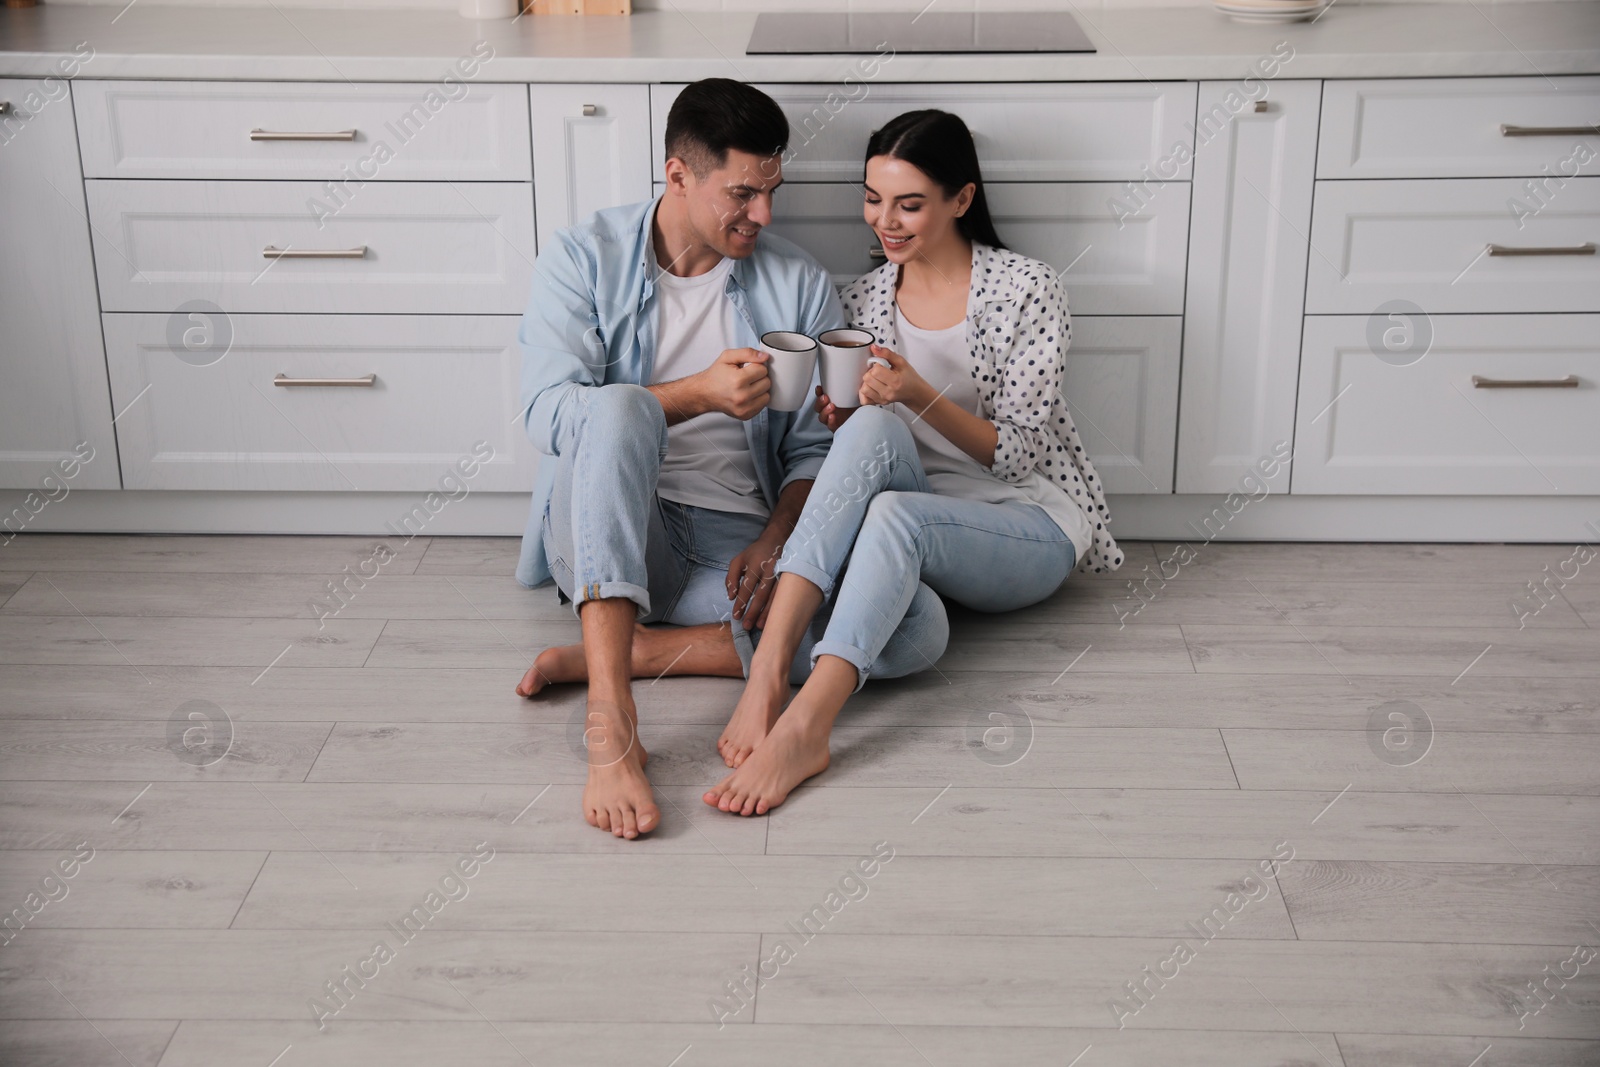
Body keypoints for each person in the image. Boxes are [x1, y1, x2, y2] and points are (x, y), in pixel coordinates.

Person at [511, 80, 946, 840]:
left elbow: (815, 446)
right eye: (743, 194)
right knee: (616, 405)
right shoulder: (584, 258)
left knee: (914, 625)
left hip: (732, 549)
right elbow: (549, 414)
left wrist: (778, 535)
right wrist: (695, 394)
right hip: (615, 528)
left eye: (772, 191)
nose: (764, 215)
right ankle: (611, 718)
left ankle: (641, 648)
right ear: (679, 176)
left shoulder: (797, 283)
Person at [702, 108, 1125, 817]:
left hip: (1024, 517)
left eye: (909, 204)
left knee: (899, 514)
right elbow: (865, 439)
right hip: (917, 502)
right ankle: (768, 673)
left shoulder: (1028, 288)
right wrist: (842, 417)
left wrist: (916, 393)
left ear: (962, 199)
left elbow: (1019, 454)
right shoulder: (863, 300)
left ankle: (808, 727)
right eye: (872, 199)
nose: (885, 222)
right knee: (868, 436)